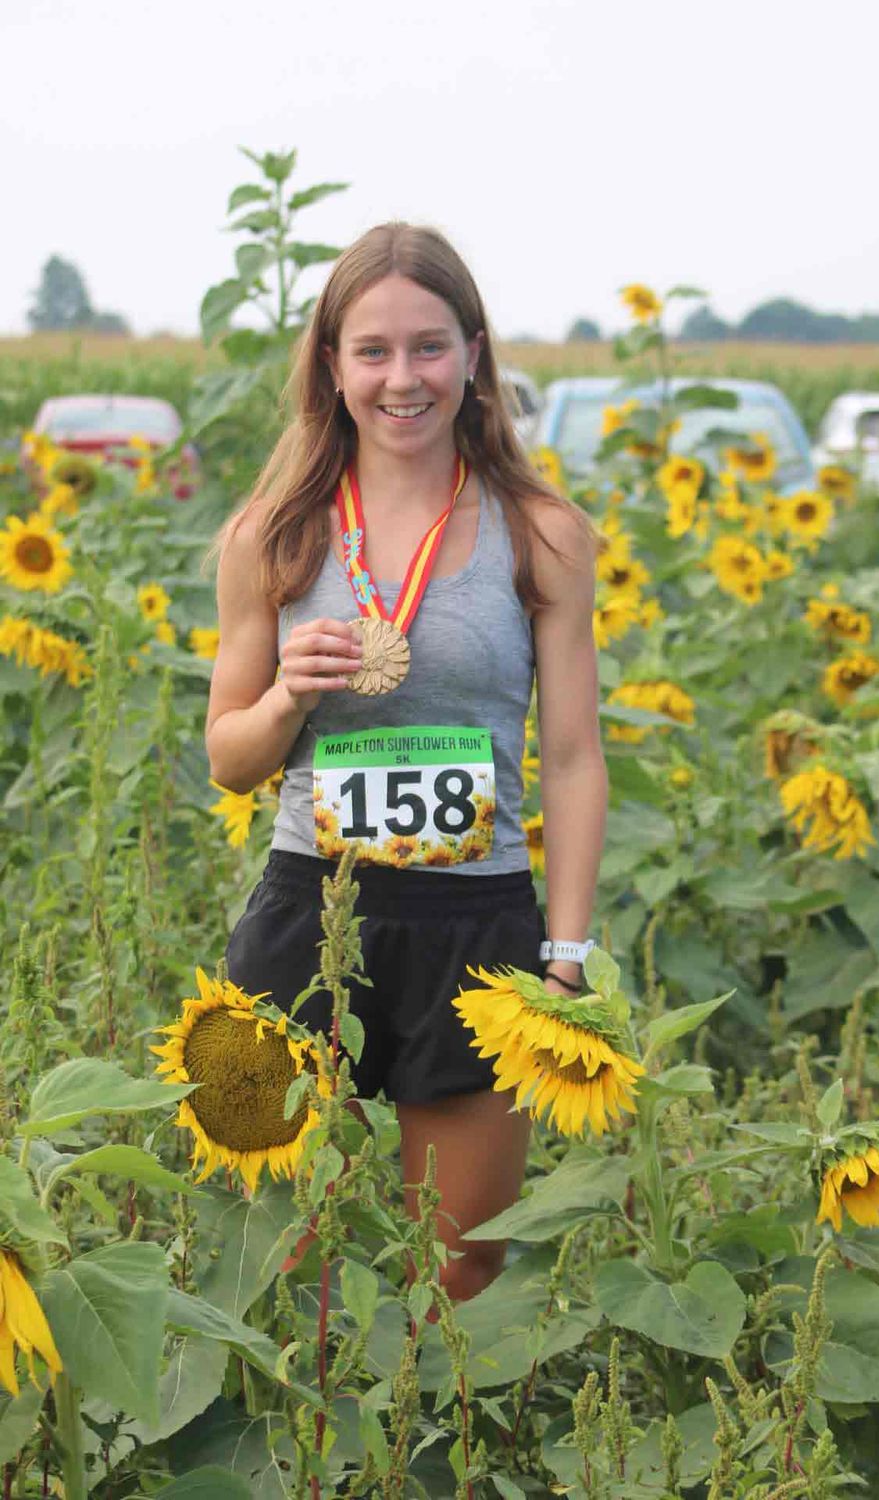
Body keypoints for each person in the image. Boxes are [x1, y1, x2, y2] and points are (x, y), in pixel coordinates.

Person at [206, 222, 607, 1302]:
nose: (403, 378)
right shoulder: (271, 536)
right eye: (373, 351)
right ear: (331, 367)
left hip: (477, 926)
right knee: (292, 1276)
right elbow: (229, 761)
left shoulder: (542, 533)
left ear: (473, 355)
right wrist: (288, 693)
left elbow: (573, 760)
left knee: (462, 1274)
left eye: (428, 347)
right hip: (309, 914)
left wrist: (565, 956)